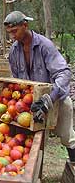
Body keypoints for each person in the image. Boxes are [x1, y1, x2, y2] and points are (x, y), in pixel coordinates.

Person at [4, 10, 75, 161]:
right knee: (33, 138)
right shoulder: (14, 51)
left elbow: (64, 73)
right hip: (33, 103)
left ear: (25, 25)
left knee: (66, 136)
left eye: (15, 31)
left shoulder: (45, 45)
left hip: (57, 99)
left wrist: (51, 97)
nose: (12, 36)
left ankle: (73, 165)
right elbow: (18, 81)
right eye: (9, 32)